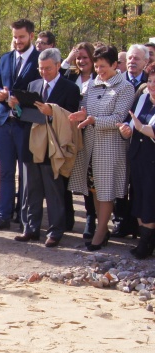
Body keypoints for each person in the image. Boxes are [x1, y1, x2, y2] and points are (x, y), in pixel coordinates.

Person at [68, 45, 136, 250]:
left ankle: (100, 231)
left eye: (103, 66)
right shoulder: (92, 84)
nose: (99, 70)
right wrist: (83, 116)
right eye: (97, 66)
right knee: (94, 189)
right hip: (90, 145)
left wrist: (93, 120)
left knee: (106, 190)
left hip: (110, 147)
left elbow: (118, 118)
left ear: (115, 64)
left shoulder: (125, 88)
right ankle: (101, 227)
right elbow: (86, 110)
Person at [16, 48, 81, 247]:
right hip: (32, 143)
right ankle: (31, 228)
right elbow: (24, 115)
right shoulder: (33, 84)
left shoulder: (70, 88)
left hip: (53, 146)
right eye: (41, 68)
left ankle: (55, 231)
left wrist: (51, 112)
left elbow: (71, 119)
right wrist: (16, 107)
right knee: (31, 190)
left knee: (54, 191)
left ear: (58, 65)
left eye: (48, 68)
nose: (44, 72)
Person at [0, 18, 41, 232]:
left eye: (22, 37)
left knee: (27, 174)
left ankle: (26, 218)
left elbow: (41, 93)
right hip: (3, 122)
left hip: (26, 124)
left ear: (31, 36)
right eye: (15, 37)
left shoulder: (38, 60)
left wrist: (20, 100)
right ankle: (3, 215)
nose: (17, 41)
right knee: (6, 172)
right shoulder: (6, 59)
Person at [111, 44, 151, 239]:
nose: (132, 62)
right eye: (130, 58)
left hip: (142, 144)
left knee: (137, 185)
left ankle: (138, 225)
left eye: (137, 59)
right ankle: (121, 221)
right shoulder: (116, 80)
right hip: (119, 138)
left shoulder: (148, 83)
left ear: (145, 62)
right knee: (120, 183)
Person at [63, 41, 99, 237]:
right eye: (79, 57)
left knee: (87, 178)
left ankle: (90, 218)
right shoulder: (70, 75)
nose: (82, 61)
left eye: (85, 57)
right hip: (68, 132)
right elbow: (54, 77)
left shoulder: (98, 78)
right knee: (66, 174)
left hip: (89, 132)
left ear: (93, 58)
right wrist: (68, 59)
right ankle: (67, 217)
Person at [119, 77, 155, 258]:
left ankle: (146, 244)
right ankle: (146, 240)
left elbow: (150, 130)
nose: (152, 86)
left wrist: (140, 127)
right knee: (139, 199)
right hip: (137, 157)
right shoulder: (143, 97)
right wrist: (126, 128)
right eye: (150, 81)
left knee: (149, 201)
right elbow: (130, 121)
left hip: (152, 161)